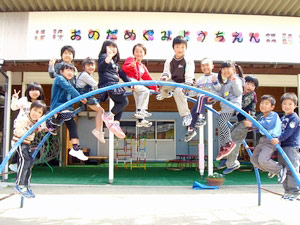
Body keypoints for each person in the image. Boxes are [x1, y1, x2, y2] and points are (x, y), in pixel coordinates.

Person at [46, 63, 88, 161]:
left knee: (71, 125)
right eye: (68, 70)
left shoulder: (69, 82)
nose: (70, 73)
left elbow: (71, 92)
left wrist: (80, 101)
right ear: (61, 72)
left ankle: (75, 148)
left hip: (66, 108)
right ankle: (51, 122)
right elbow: (70, 89)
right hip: (59, 107)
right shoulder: (59, 79)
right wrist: (81, 98)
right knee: (69, 120)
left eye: (72, 71)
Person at [220, 75, 259, 174]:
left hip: (247, 122)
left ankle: (233, 163)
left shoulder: (252, 95)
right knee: (227, 135)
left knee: (235, 140)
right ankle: (226, 159)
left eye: (252, 85)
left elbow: (240, 105)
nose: (250, 87)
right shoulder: (240, 93)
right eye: (248, 84)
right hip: (240, 121)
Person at [156, 35, 195, 127]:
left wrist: (188, 85)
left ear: (186, 48)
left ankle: (186, 115)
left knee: (178, 91)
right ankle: (166, 94)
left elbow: (189, 75)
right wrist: (165, 77)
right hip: (174, 82)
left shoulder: (188, 60)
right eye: (177, 47)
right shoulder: (169, 60)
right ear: (173, 48)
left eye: (182, 47)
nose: (180, 49)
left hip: (184, 83)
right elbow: (166, 72)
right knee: (162, 82)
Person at [249, 95, 286, 183]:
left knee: (262, 160)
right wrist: (251, 126)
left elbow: (267, 125)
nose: (263, 105)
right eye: (262, 103)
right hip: (263, 140)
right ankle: (272, 168)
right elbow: (259, 129)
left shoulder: (273, 115)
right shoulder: (262, 117)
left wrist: (253, 124)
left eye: (266, 104)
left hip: (271, 140)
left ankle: (279, 169)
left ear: (272, 107)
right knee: (254, 159)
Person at [13, 100, 47, 198]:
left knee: (30, 161)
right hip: (18, 142)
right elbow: (19, 132)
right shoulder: (23, 119)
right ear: (31, 109)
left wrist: (43, 128)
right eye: (35, 110)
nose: (36, 113)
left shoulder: (37, 122)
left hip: (27, 143)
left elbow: (44, 127)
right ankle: (19, 184)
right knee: (25, 160)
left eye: (39, 112)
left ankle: (26, 185)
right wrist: (32, 129)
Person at [98, 40, 130, 139]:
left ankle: (115, 123)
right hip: (109, 84)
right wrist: (108, 56)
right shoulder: (104, 57)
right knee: (124, 101)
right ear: (105, 49)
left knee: (119, 104)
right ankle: (109, 116)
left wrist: (130, 84)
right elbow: (102, 67)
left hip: (114, 84)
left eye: (114, 47)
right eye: (110, 47)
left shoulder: (115, 63)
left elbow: (122, 74)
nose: (112, 49)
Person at [10, 82, 45, 172]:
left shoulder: (40, 104)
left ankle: (17, 164)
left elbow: (42, 118)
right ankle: (14, 162)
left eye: (37, 90)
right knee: (19, 144)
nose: (34, 92)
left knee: (25, 147)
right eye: (31, 90)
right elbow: (14, 107)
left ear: (40, 92)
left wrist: (42, 127)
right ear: (28, 91)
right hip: (21, 126)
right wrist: (14, 98)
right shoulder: (24, 100)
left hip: (30, 129)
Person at [212, 60, 244, 161]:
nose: (225, 71)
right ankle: (223, 146)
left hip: (232, 105)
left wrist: (234, 81)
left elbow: (238, 93)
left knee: (222, 121)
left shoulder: (236, 79)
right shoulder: (226, 82)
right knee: (221, 125)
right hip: (226, 107)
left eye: (227, 68)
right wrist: (215, 85)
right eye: (223, 69)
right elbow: (221, 94)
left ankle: (229, 143)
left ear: (233, 70)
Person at [271, 93, 300, 201]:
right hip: (282, 146)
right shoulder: (283, 118)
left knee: (292, 168)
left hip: (291, 146)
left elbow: (289, 132)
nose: (287, 106)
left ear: (295, 105)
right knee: (283, 169)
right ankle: (287, 190)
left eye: (290, 104)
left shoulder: (294, 118)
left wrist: (279, 139)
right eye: (284, 104)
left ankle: (295, 191)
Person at [122, 43, 158, 128]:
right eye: (136, 51)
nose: (138, 53)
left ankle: (140, 120)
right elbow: (124, 68)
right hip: (130, 81)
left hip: (136, 85)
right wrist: (131, 66)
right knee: (145, 91)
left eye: (141, 52)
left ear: (144, 54)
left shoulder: (142, 67)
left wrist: (156, 88)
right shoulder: (131, 60)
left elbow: (148, 79)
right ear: (133, 53)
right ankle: (141, 111)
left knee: (140, 97)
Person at [184, 58, 216, 142]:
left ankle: (202, 117)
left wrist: (215, 83)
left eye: (207, 65)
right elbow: (195, 92)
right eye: (203, 66)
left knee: (201, 97)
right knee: (193, 110)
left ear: (212, 66)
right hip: (201, 99)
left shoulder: (215, 76)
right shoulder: (200, 80)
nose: (205, 67)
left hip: (211, 96)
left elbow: (220, 87)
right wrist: (188, 92)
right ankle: (191, 129)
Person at [76, 57, 105, 143]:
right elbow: (96, 86)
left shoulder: (88, 75)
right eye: (88, 65)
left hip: (87, 95)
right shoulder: (85, 75)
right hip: (84, 95)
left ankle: (98, 130)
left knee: (101, 111)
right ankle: (98, 131)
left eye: (92, 65)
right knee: (101, 111)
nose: (91, 67)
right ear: (84, 67)